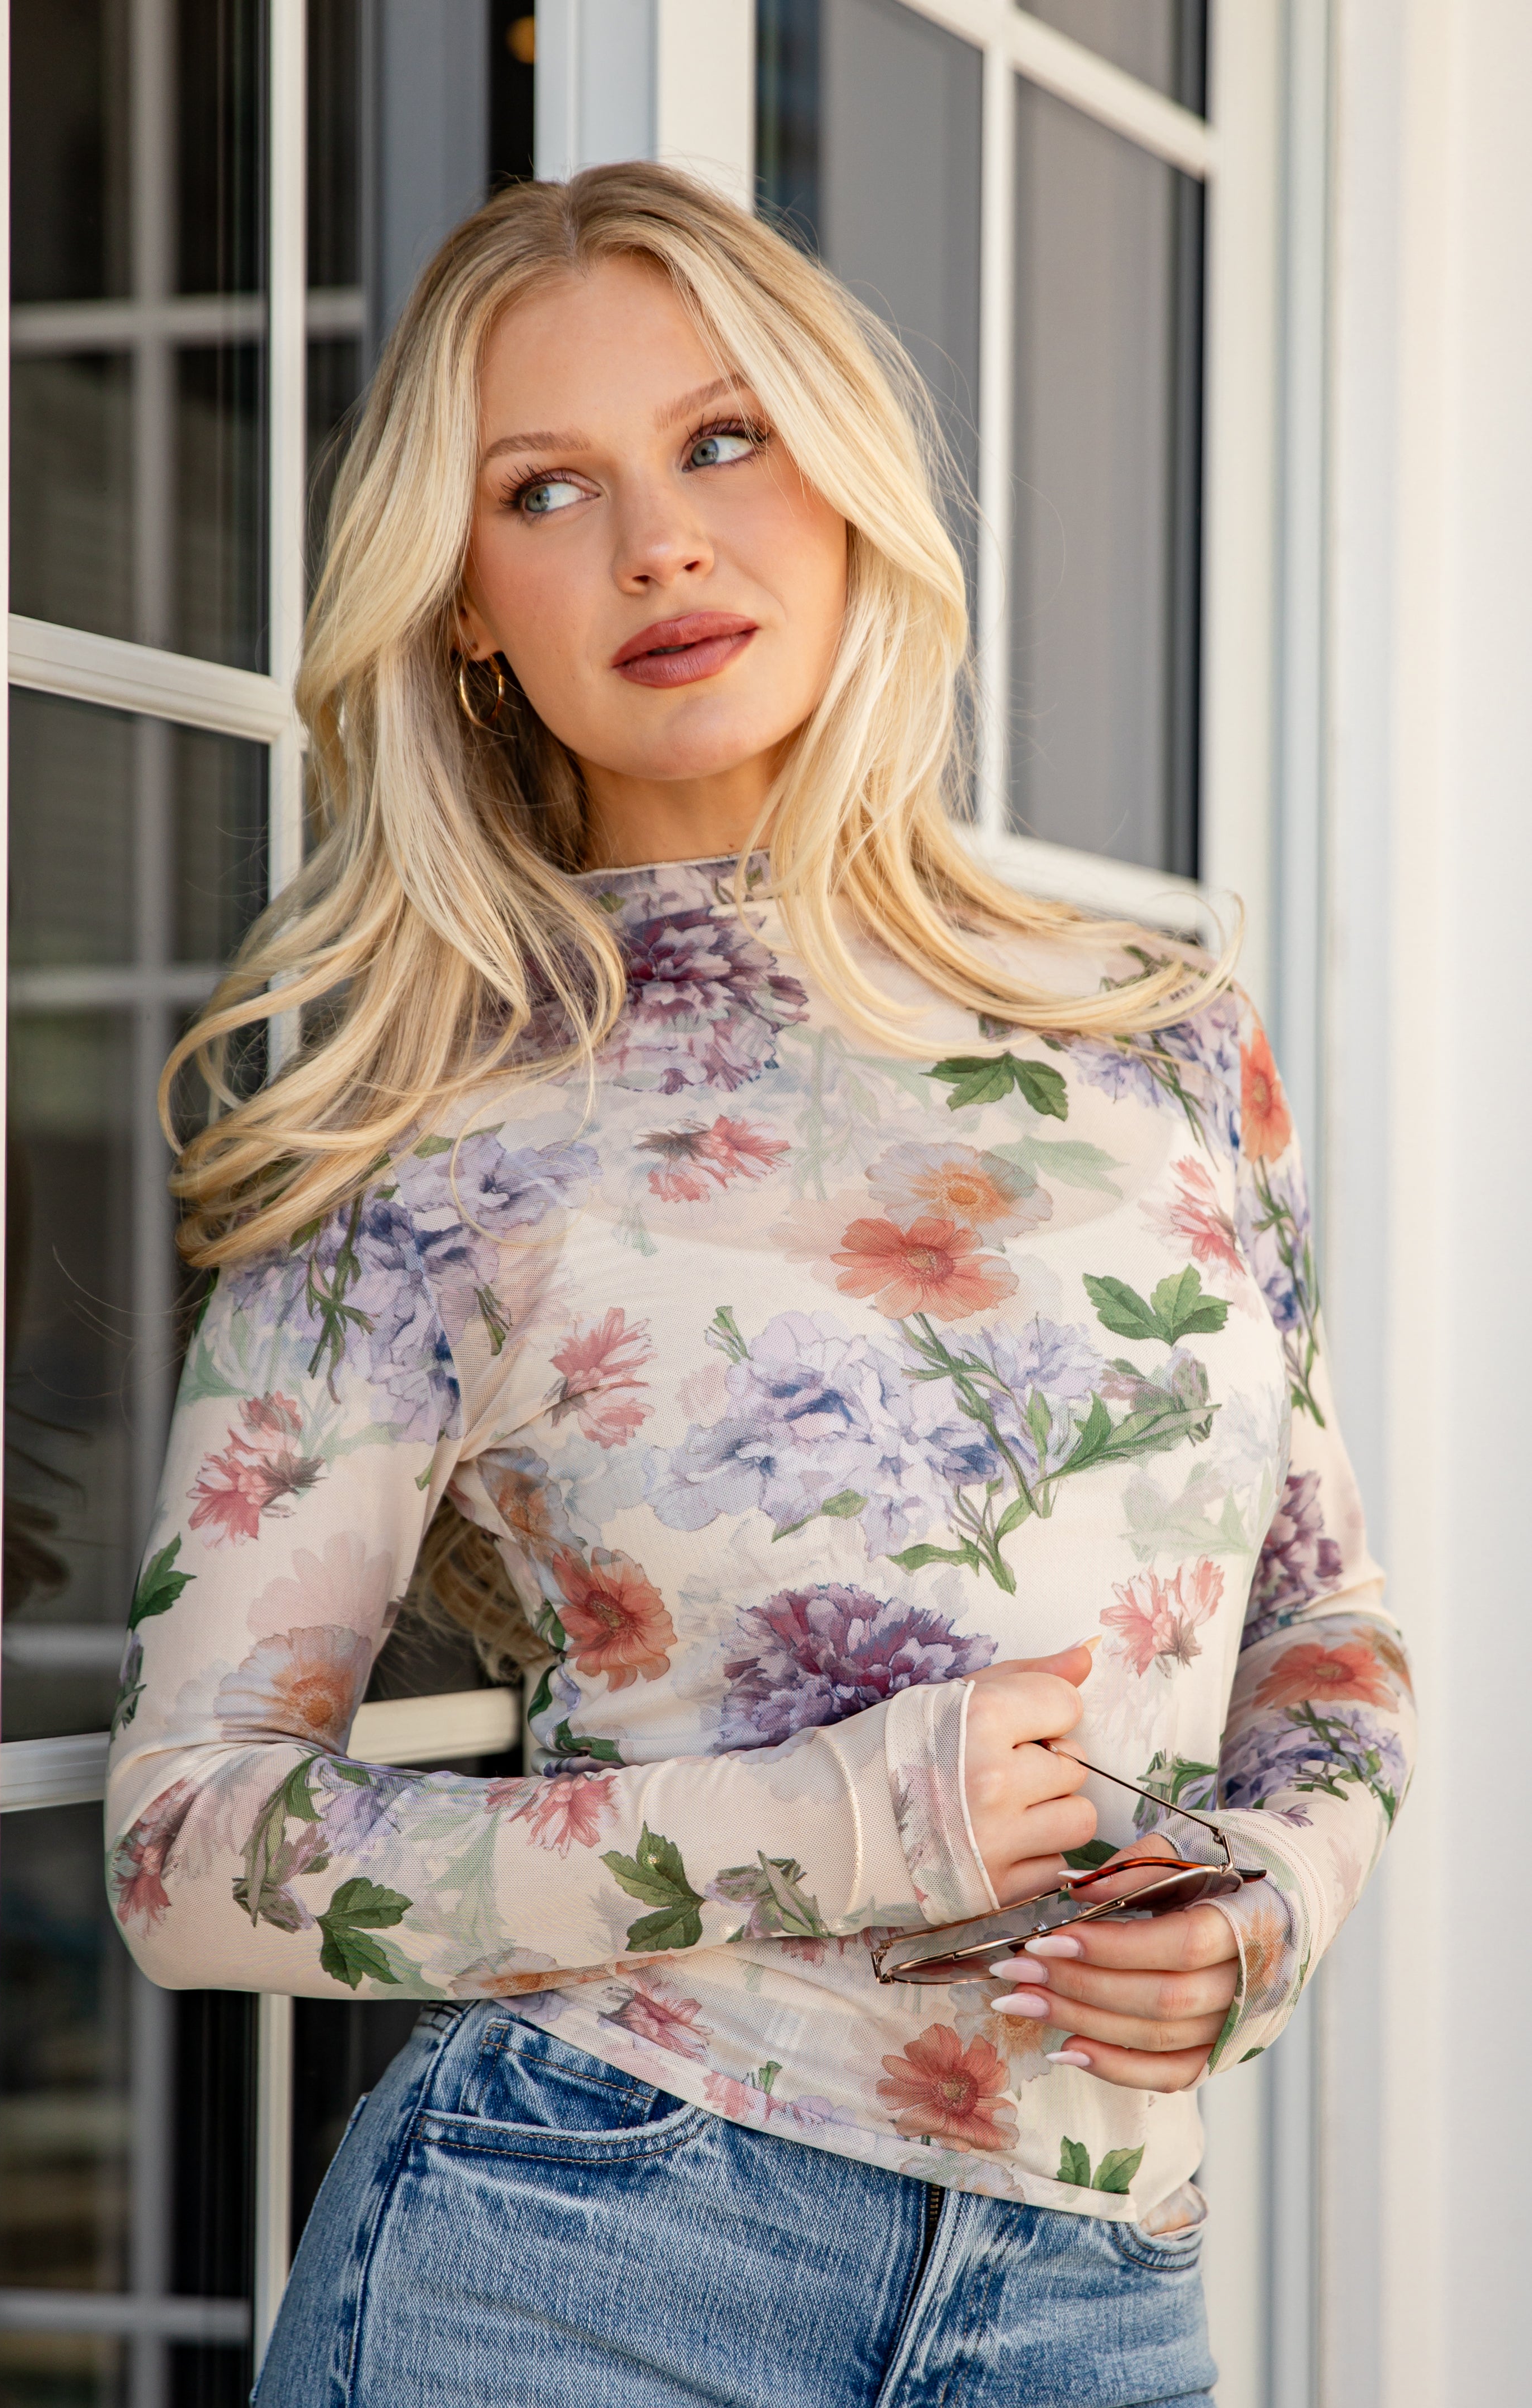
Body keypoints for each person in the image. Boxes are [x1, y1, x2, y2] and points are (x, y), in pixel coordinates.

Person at [106, 165, 1414, 2407]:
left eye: (723, 441)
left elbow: (1325, 1619)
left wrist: (1272, 1897)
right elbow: (187, 1848)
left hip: (1094, 2298)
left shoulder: (1159, 1037)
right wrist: (838, 1821)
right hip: (575, 2255)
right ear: (468, 612)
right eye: (547, 490)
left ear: (845, 482)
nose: (661, 545)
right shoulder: (421, 1119)